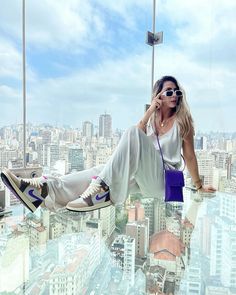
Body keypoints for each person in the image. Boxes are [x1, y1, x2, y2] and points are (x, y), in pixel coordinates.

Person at [1, 76, 216, 213]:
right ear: (158, 96)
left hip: (162, 182)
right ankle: (43, 191)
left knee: (122, 147)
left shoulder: (183, 121)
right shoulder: (151, 120)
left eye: (177, 92)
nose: (174, 96)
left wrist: (198, 186)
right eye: (168, 92)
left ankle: (102, 191)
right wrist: (151, 110)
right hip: (141, 177)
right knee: (99, 171)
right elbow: (137, 137)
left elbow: (189, 156)